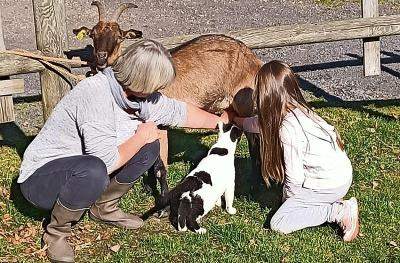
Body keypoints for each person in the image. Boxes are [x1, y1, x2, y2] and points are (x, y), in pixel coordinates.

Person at [18, 39, 229, 263]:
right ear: (140, 80)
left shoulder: (143, 99)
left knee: (150, 146)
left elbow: (179, 112)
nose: (159, 90)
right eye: (156, 85)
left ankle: (104, 207)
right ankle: (56, 233)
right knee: (96, 167)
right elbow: (105, 161)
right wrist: (139, 137)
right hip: (41, 182)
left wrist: (221, 123)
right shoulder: (96, 94)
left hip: (82, 174)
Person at [231, 60, 359, 241]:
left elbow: (295, 177)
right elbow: (260, 124)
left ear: (265, 96)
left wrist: (289, 203)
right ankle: (327, 202)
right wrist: (238, 120)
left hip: (329, 185)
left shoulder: (288, 129)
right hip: (340, 176)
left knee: (280, 222)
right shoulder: (300, 111)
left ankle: (337, 211)